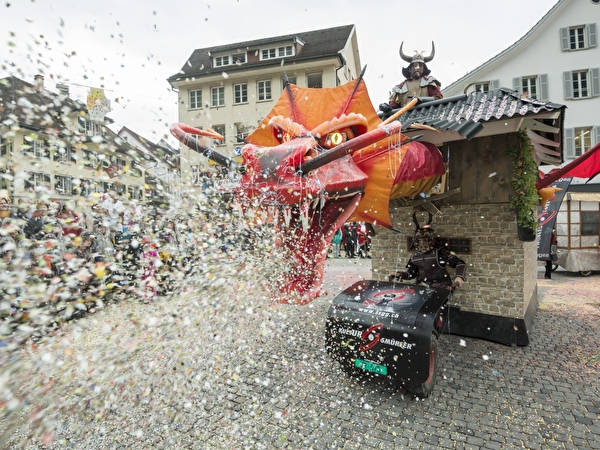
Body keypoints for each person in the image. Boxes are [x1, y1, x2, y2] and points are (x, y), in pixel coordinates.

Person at [389, 222, 466, 289]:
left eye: (425, 240)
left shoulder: (439, 252)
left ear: (431, 240)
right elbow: (411, 274)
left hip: (442, 285)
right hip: (422, 286)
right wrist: (399, 274)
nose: (423, 244)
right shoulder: (415, 256)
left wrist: (459, 277)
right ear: (416, 241)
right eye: (420, 240)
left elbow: (460, 263)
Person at [382, 41, 442, 111]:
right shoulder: (400, 87)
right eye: (415, 65)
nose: (418, 68)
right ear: (410, 69)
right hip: (405, 120)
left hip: (426, 118)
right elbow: (394, 106)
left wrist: (421, 100)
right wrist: (386, 108)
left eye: (421, 66)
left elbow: (438, 98)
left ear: (423, 69)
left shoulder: (429, 82)